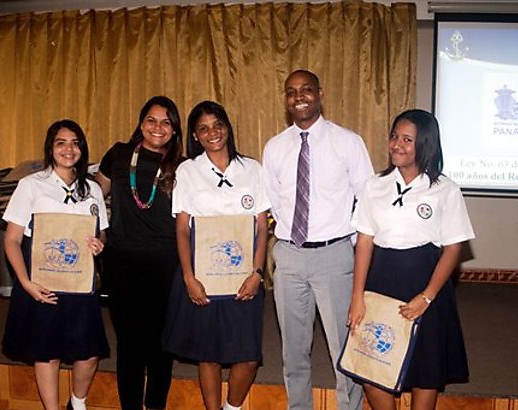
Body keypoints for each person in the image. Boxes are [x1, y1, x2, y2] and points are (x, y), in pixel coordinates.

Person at [346, 109, 474, 410]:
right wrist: (357, 296)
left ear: (425, 145)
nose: (397, 145)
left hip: (426, 283)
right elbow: (364, 242)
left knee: (425, 370)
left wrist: (427, 297)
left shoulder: (445, 190)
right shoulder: (373, 186)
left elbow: (453, 249)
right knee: (371, 366)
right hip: (380, 281)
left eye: (407, 139)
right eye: (394, 137)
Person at [262, 69, 374, 410]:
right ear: (285, 99)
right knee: (293, 350)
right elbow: (273, 203)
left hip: (335, 256)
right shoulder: (276, 147)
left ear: (320, 94)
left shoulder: (347, 142)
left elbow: (367, 199)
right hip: (290, 257)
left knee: (344, 347)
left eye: (306, 89)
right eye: (292, 91)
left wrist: (351, 247)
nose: (299, 96)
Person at [161, 100, 269, 410]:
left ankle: (232, 408)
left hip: (245, 275)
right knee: (207, 352)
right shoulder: (188, 170)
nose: (213, 133)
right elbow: (182, 229)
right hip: (203, 274)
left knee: (248, 356)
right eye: (204, 128)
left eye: (217, 124)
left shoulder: (252, 169)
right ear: (195, 136)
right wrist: (188, 278)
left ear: (227, 126)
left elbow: (262, 227)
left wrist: (257, 273)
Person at [1, 119, 109, 410]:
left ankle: (78, 402)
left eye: (75, 142)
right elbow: (11, 240)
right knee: (46, 351)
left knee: (89, 351)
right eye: (61, 142)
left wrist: (100, 242)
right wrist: (25, 284)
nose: (68, 149)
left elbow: (101, 231)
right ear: (51, 148)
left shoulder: (93, 190)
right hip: (42, 283)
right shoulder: (31, 186)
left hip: (81, 282)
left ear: (82, 149)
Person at [95, 96, 184, 410]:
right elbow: (92, 197)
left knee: (161, 343)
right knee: (130, 343)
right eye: (151, 120)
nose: (157, 127)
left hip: (166, 263)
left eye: (166, 122)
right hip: (122, 261)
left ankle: (155, 405)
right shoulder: (119, 154)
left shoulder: (183, 166)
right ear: (141, 122)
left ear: (174, 129)